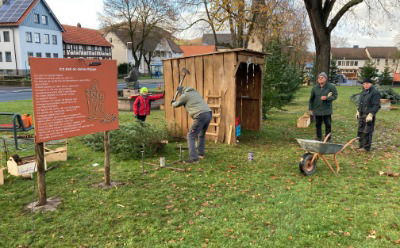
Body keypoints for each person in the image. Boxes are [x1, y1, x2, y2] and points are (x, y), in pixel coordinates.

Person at [171, 87, 212, 163]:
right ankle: (201, 153)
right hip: (208, 113)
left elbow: (176, 104)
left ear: (182, 92)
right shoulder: (196, 93)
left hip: (200, 115)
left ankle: (194, 158)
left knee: (191, 135)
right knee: (201, 134)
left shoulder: (185, 95)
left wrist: (172, 102)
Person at [309, 72, 338, 141]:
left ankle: (328, 138)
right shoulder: (315, 88)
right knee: (318, 124)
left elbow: (335, 96)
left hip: (326, 109)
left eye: (322, 77)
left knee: (328, 124)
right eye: (319, 78)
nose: (320, 79)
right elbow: (311, 99)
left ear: (326, 78)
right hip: (317, 109)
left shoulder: (331, 86)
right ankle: (319, 137)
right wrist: (310, 109)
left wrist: (327, 98)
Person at [356, 78, 381, 152]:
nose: (365, 85)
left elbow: (376, 105)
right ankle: (360, 146)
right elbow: (360, 103)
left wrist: (371, 114)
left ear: (371, 84)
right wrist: (357, 111)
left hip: (368, 116)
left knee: (367, 131)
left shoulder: (375, 93)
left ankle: (366, 148)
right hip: (361, 114)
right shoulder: (363, 92)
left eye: (367, 83)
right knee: (360, 130)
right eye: (364, 84)